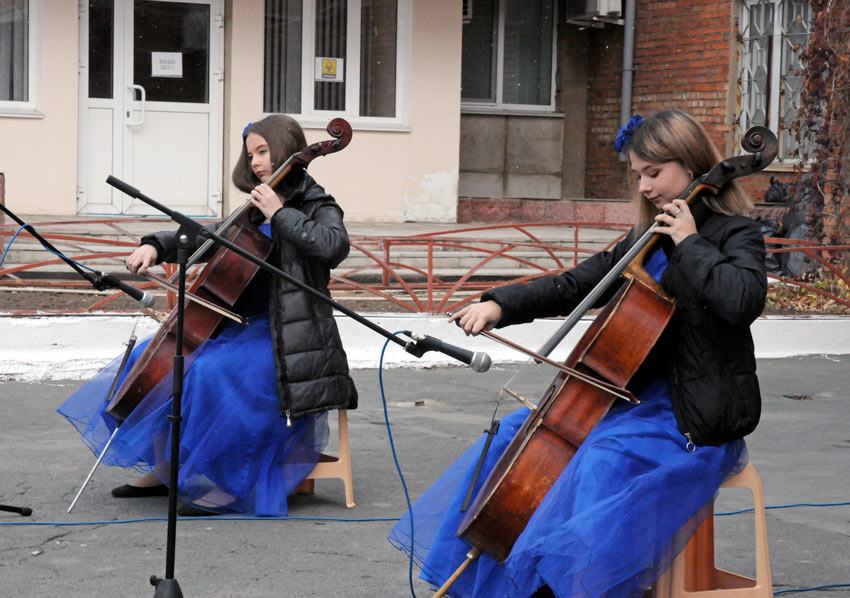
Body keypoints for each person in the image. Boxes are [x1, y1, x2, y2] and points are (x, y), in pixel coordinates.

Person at [388, 109, 767, 597]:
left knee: (598, 463)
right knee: (514, 441)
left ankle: (564, 587)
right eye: (638, 176)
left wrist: (689, 241)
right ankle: (489, 584)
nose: (645, 187)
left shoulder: (736, 233)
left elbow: (742, 301)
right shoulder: (642, 240)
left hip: (689, 416)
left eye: (654, 173)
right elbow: (575, 284)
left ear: (691, 166)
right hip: (625, 401)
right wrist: (499, 305)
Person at [59, 114, 358, 517]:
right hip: (236, 327)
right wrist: (157, 246)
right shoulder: (253, 207)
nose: (254, 162)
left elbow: (333, 246)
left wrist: (280, 215)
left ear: (286, 148)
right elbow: (208, 236)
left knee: (210, 372)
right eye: (250, 154)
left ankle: (225, 483)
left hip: (287, 337)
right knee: (156, 359)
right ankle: (165, 468)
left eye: (263, 151)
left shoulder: (315, 203)